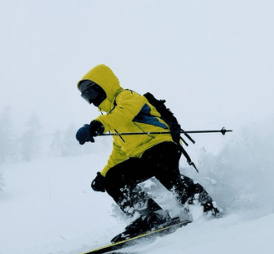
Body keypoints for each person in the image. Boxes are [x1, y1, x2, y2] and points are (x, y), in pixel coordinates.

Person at [75, 64, 220, 242]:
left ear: (102, 86)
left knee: (167, 175)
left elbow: (123, 113)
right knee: (113, 179)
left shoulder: (127, 96)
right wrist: (102, 176)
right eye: (85, 97)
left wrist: (97, 125)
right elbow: (118, 152)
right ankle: (150, 216)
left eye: (91, 94)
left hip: (162, 146)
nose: (90, 100)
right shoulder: (113, 119)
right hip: (143, 157)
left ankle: (203, 205)